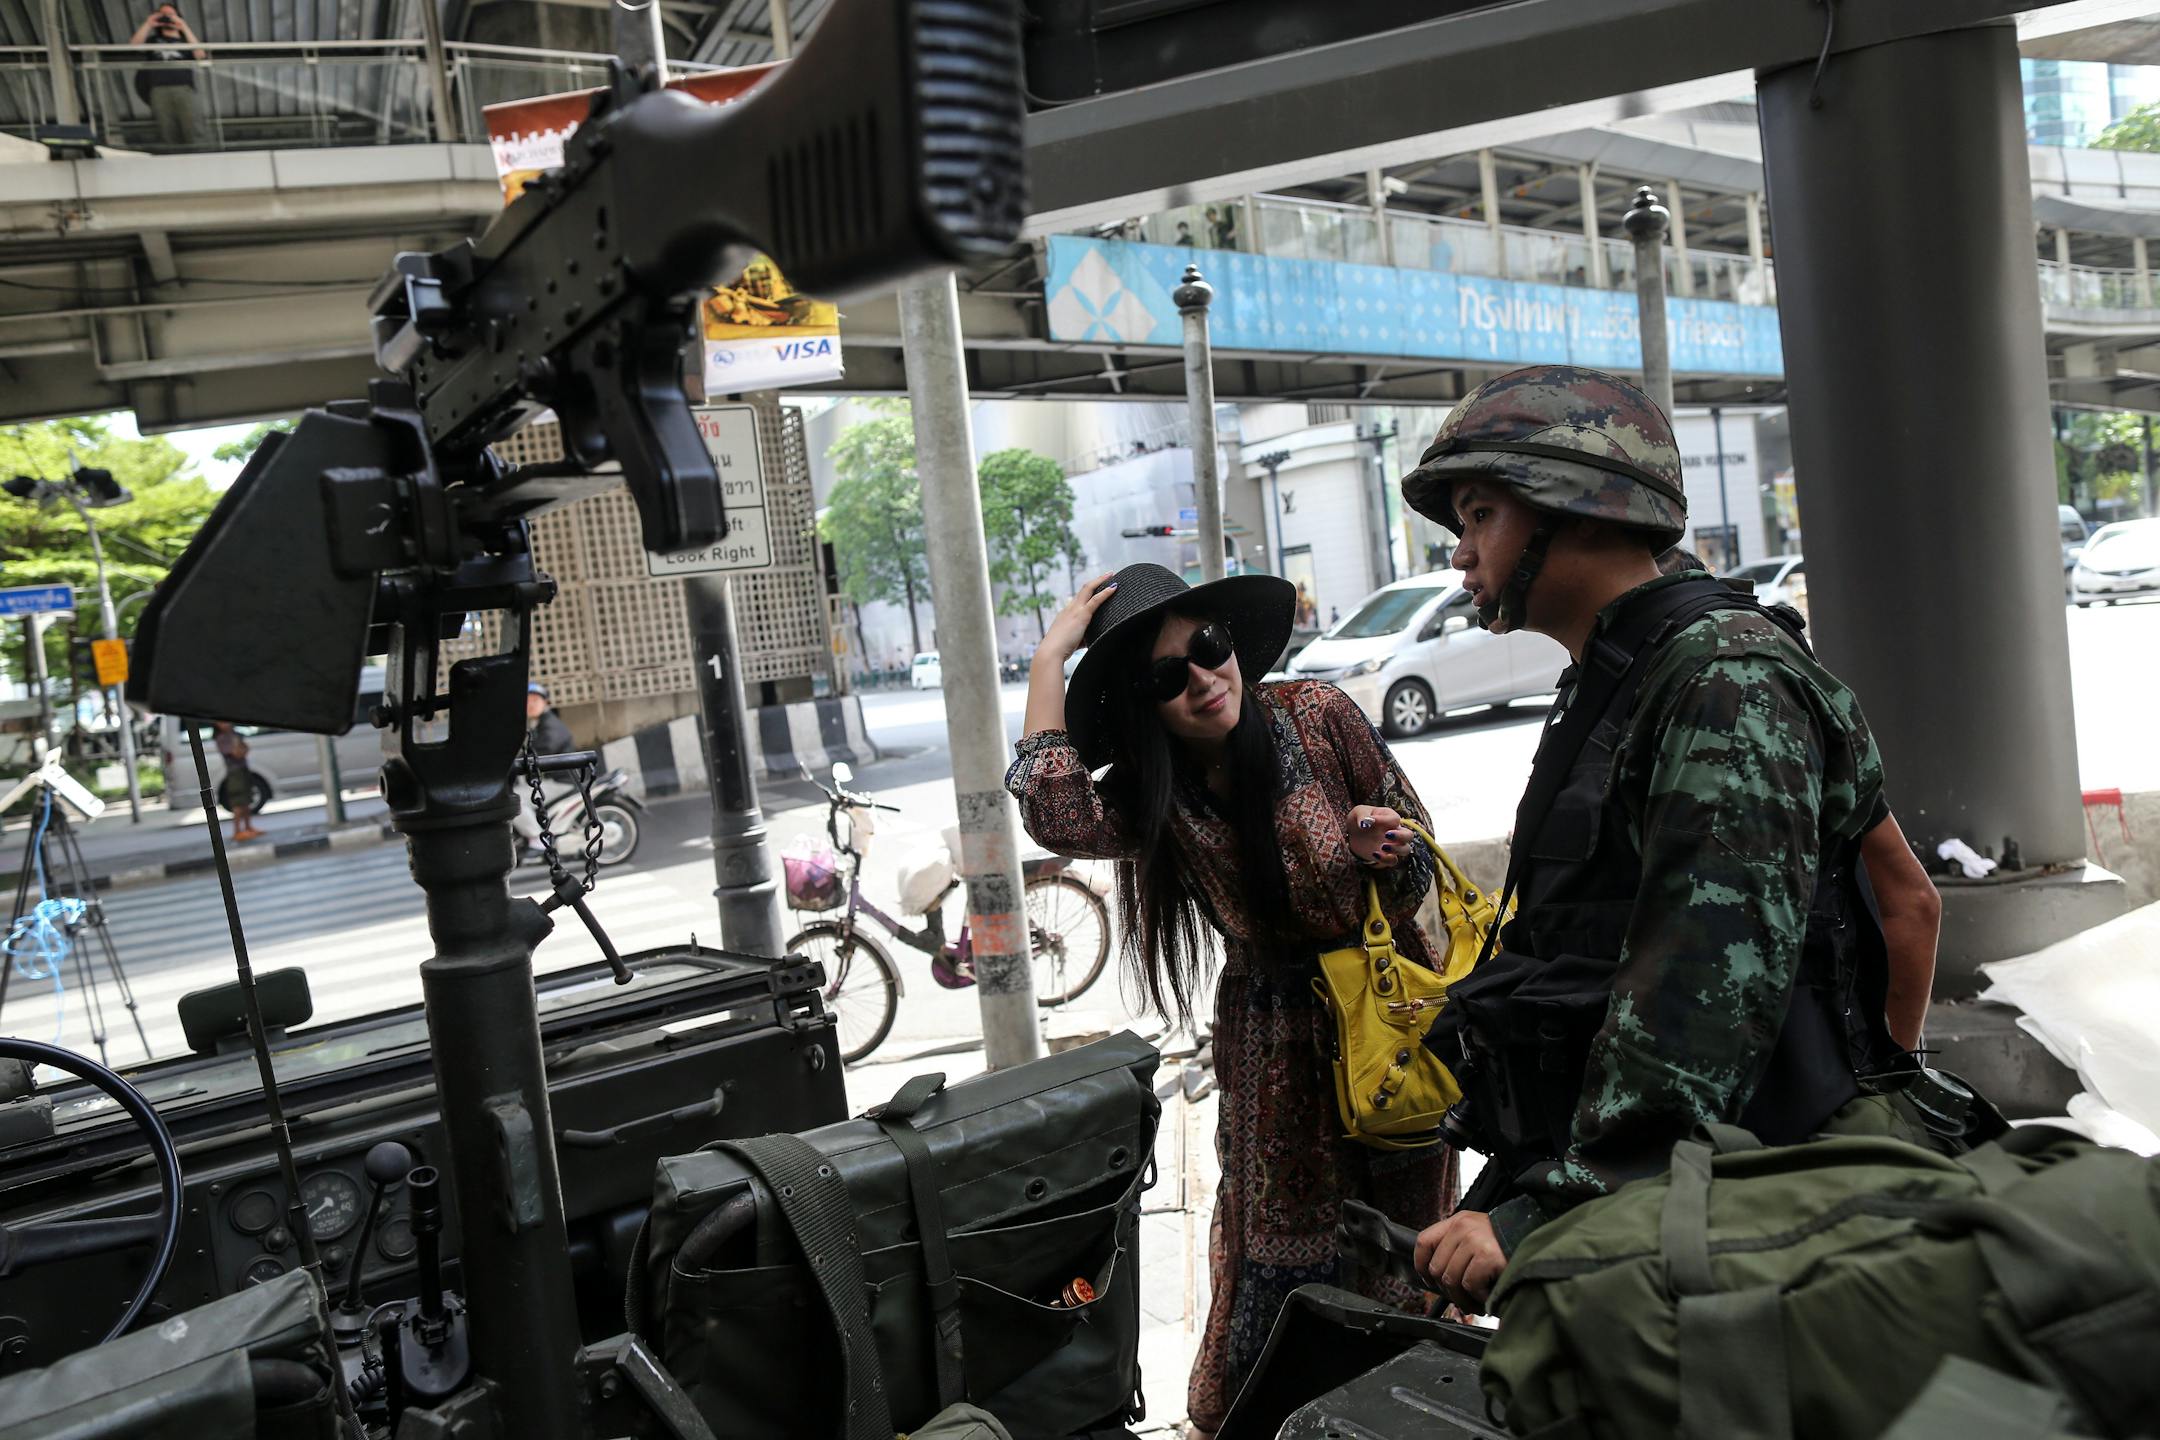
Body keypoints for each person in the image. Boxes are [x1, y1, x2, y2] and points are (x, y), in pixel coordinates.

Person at [1393, 365, 1928, 1314]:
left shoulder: (1721, 681)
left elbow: (1701, 994)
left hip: (1720, 1225)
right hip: (1664, 1207)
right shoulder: (1629, 672)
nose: (1460, 554)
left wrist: (1551, 1211)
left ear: (1581, 509)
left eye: (1479, 516)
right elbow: (1909, 903)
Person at [1006, 562, 1456, 1437]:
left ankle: (1418, 1408)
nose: (1202, 678)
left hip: (1387, 1007)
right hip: (1274, 1043)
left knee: (1414, 1235)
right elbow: (1056, 815)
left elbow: (1416, 839)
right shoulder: (1155, 792)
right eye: (1168, 675)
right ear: (1148, 705)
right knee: (1282, 1252)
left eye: (1208, 649)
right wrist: (1048, 663)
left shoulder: (1319, 717)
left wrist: (1377, 847)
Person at [1657, 543, 1940, 1048]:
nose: (1463, 558)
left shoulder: (1739, 688)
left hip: (1793, 1077)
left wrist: (1892, 1071)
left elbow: (1915, 904)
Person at [512, 682, 576, 862]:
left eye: (535, 700)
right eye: (527, 701)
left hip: (562, 782)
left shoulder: (550, 726)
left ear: (546, 702)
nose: (530, 704)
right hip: (551, 779)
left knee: (515, 799)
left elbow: (543, 751)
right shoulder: (539, 724)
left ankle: (537, 839)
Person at [129, 4, 206, 149]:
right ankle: (173, 156)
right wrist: (149, 23)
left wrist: (183, 26)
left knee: (193, 126)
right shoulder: (153, 40)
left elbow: (200, 54)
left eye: (171, 15)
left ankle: (199, 154)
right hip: (158, 90)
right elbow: (134, 46)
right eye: (163, 14)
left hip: (184, 88)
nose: (167, 18)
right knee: (167, 128)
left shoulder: (185, 41)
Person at [211, 721, 263, 843]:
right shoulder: (222, 738)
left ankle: (248, 827)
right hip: (234, 772)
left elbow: (245, 749)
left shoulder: (235, 734)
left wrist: (240, 747)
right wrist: (239, 746)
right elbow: (237, 753)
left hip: (243, 769)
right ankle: (237, 831)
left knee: (247, 800)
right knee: (238, 801)